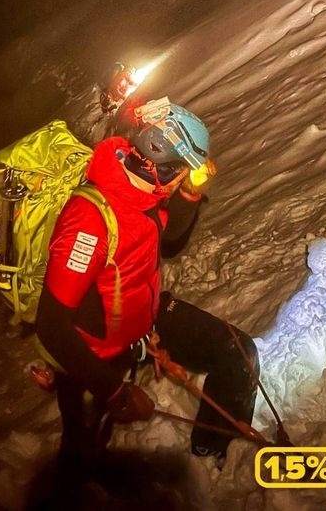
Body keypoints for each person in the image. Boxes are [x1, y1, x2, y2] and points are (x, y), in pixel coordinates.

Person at [35, 98, 259, 472]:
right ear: (164, 167)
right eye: (186, 171)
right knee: (82, 458)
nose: (189, 177)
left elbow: (168, 239)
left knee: (237, 352)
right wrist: (115, 390)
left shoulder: (144, 187)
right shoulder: (88, 221)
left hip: (145, 319)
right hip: (93, 354)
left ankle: (212, 458)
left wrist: (188, 193)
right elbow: (52, 324)